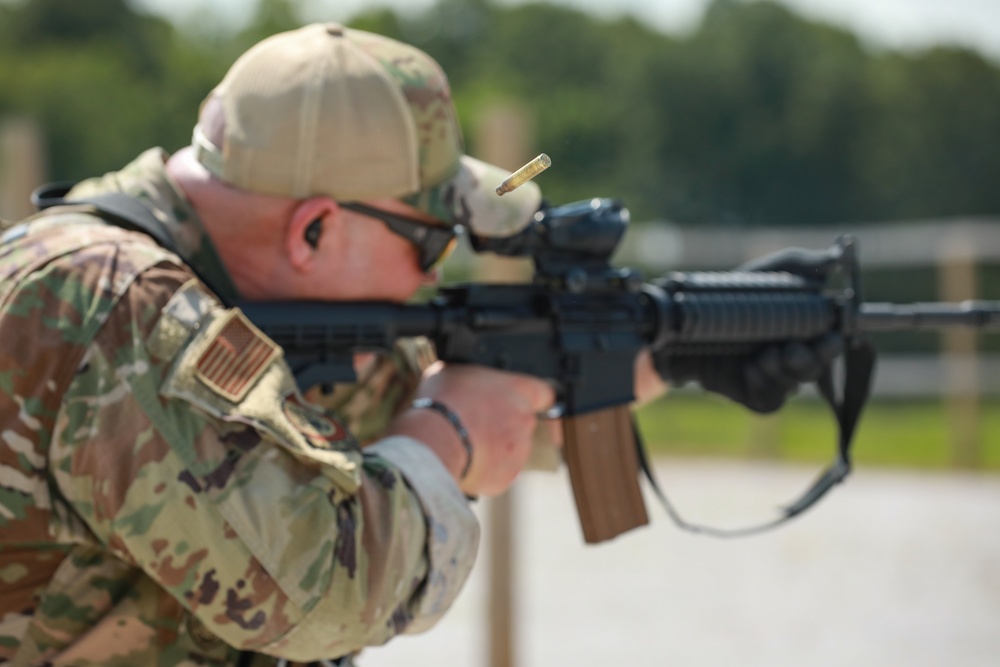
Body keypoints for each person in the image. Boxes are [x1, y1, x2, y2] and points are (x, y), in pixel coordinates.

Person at [0, 22, 837, 666]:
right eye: (432, 241)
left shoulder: (224, 284)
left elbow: (378, 414)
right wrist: (452, 437)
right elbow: (321, 586)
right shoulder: (108, 305)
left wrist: (662, 353)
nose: (431, 275)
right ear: (316, 228)